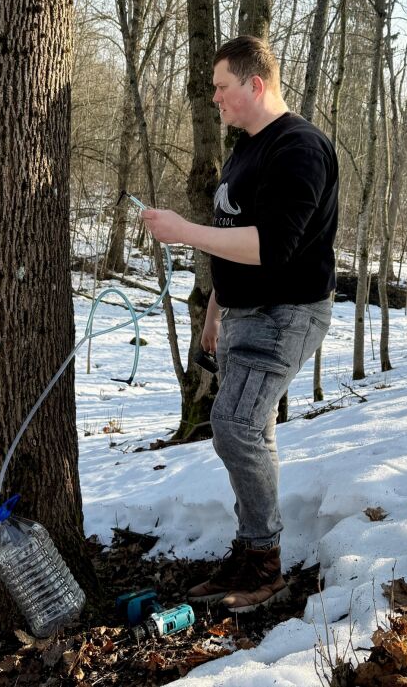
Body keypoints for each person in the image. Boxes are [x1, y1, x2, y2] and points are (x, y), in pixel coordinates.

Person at [141, 35, 338, 610]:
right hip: (242, 312)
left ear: (256, 83)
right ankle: (252, 551)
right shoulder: (246, 148)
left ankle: (263, 564)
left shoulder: (299, 147)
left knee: (235, 427)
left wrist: (182, 232)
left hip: (288, 312)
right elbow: (235, 235)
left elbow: (274, 246)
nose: (215, 100)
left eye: (222, 88)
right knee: (247, 429)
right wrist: (215, 306)